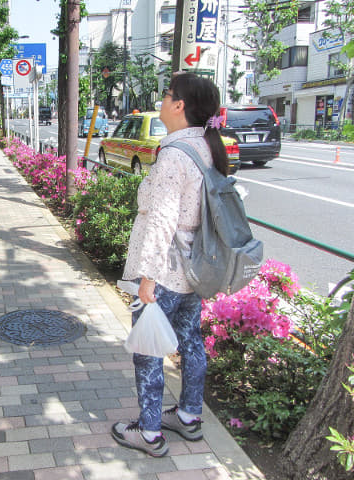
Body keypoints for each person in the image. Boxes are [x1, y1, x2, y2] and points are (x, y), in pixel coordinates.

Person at [111, 73, 229, 457]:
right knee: (191, 341)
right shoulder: (209, 147)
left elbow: (161, 220)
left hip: (164, 271)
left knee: (148, 352)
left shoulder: (174, 155)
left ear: (179, 106)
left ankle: (147, 433)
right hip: (195, 269)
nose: (161, 100)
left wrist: (147, 279)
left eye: (166, 95)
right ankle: (189, 415)